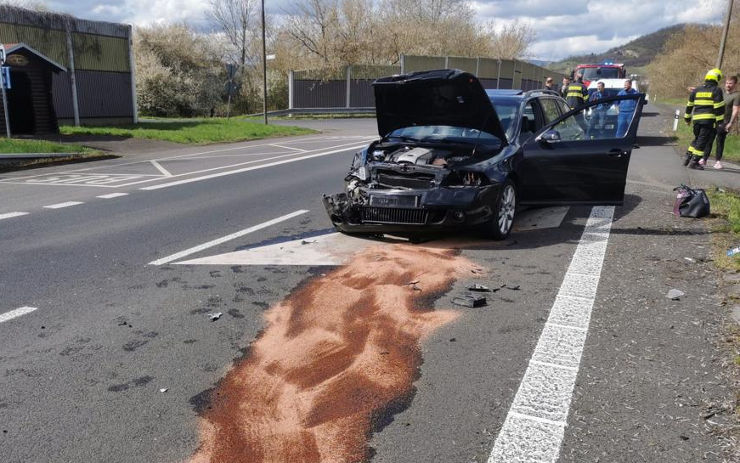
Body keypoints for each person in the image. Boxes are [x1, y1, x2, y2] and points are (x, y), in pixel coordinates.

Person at [683, 68, 725, 170]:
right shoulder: (717, 90)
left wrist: (687, 118)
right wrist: (720, 123)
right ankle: (694, 162)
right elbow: (718, 108)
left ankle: (688, 157)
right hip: (708, 121)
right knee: (702, 141)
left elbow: (689, 106)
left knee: (697, 139)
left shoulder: (697, 90)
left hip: (696, 120)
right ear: (717, 78)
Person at [700, 74, 739, 169]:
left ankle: (717, 161)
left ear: (735, 84)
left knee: (720, 140)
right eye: (726, 83)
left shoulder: (737, 95)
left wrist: (731, 123)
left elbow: (736, 110)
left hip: (725, 121)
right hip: (714, 119)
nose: (728, 85)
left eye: (730, 83)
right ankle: (704, 159)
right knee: (709, 139)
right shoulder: (720, 92)